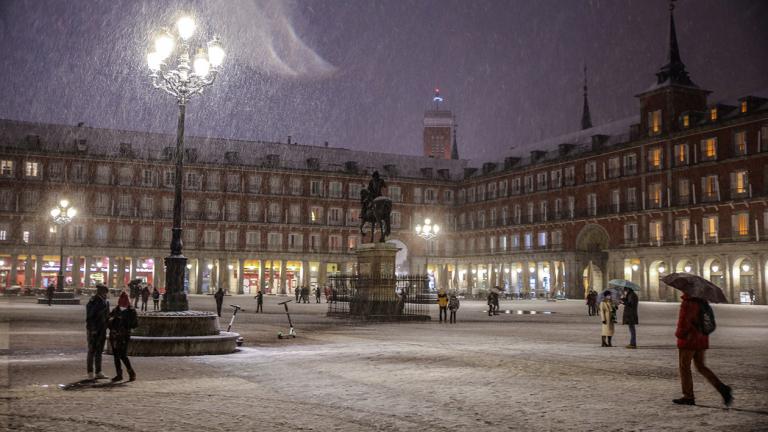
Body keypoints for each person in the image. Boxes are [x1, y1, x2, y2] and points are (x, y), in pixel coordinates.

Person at [673, 294, 732, 406]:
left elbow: (684, 323)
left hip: (689, 340)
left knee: (684, 367)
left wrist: (679, 335)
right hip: (701, 338)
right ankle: (722, 388)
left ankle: (688, 396)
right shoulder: (703, 302)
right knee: (701, 366)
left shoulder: (687, 303)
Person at [108, 292, 137, 382]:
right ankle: (119, 374)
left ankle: (131, 372)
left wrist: (125, 324)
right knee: (116, 355)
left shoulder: (131, 311)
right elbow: (108, 322)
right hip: (115, 335)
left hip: (123, 336)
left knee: (123, 355)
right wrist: (111, 321)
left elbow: (134, 324)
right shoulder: (116, 310)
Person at [86, 284, 110, 380]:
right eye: (105, 292)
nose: (106, 294)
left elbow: (106, 315)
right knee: (92, 350)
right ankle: (90, 372)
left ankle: (98, 371)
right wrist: (93, 329)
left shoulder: (104, 301)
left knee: (99, 350)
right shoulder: (94, 301)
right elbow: (90, 316)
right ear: (101, 291)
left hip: (102, 329)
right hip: (95, 329)